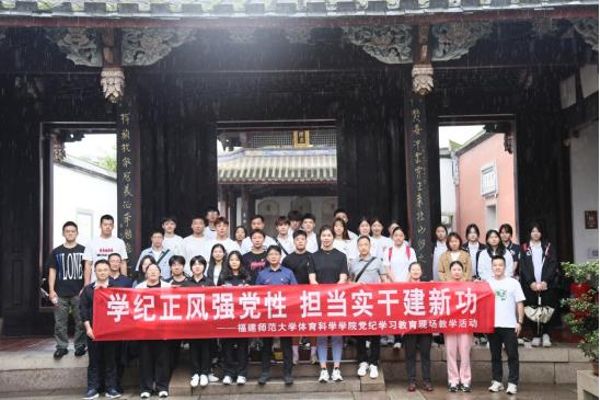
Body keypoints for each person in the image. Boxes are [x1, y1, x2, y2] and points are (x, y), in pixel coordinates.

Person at [309, 225, 348, 383]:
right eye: (323, 235)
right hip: (319, 300)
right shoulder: (313, 256)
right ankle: (324, 369)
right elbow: (312, 279)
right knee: (322, 335)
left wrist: (333, 293)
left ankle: (337, 368)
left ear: (333, 237)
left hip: (337, 300)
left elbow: (343, 278)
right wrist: (322, 293)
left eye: (328, 235)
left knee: (337, 334)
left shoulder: (341, 256)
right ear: (320, 238)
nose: (326, 238)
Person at [255, 245, 297, 386]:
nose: (273, 256)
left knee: (286, 345)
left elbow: (295, 293)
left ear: (280, 256)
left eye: (276, 254)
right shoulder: (262, 274)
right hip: (267, 314)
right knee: (266, 345)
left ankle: (287, 373)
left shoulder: (288, 273)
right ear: (267, 257)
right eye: (271, 254)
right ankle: (265, 373)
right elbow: (256, 295)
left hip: (285, 314)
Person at [349, 236, 390, 380]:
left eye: (366, 244)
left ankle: (374, 362)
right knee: (360, 332)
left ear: (370, 246)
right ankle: (362, 361)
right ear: (357, 247)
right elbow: (349, 281)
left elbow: (384, 280)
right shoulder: (353, 263)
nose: (363, 247)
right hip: (359, 302)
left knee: (375, 332)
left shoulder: (377, 261)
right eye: (361, 245)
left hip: (375, 301)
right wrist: (355, 285)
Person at [80, 259, 120, 400]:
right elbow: (83, 310)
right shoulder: (88, 290)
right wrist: (88, 329)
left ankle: (111, 388)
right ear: (95, 272)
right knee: (94, 360)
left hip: (111, 332)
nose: (102, 272)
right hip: (93, 330)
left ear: (109, 271)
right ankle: (92, 388)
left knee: (111, 360)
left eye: (105, 270)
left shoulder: (116, 288)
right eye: (99, 270)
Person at [46, 221, 86, 359]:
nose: (70, 233)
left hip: (78, 292)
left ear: (77, 233)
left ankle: (80, 346)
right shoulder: (56, 251)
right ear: (63, 233)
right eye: (67, 231)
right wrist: (51, 290)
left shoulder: (83, 250)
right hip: (60, 292)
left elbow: (87, 270)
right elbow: (52, 271)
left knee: (81, 321)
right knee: (60, 322)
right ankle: (62, 347)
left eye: (72, 231)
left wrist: (85, 287)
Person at [487, 255, 525, 395]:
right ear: (492, 267)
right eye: (495, 265)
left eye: (500, 265)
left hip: (509, 325)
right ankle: (497, 381)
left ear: (505, 267)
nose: (497, 267)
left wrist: (519, 321)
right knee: (495, 355)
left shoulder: (513, 283)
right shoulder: (487, 283)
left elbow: (519, 303)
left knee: (512, 355)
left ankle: (513, 382)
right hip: (493, 325)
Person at [519, 223, 560, 348]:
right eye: (533, 231)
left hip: (546, 285)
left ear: (541, 233)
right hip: (530, 285)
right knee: (532, 309)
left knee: (546, 308)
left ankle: (546, 334)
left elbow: (553, 264)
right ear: (529, 233)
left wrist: (545, 281)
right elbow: (523, 266)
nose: (535, 233)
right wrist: (531, 282)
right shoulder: (525, 247)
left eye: (538, 231)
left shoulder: (548, 247)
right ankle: (536, 334)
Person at [282, 230, 318, 365]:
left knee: (312, 325)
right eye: (298, 239)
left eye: (303, 239)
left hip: (311, 296)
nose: (300, 241)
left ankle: (313, 354)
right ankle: (295, 355)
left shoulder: (312, 257)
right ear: (294, 241)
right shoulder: (287, 259)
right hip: (293, 297)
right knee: (295, 325)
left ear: (306, 241)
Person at [136, 263, 172, 399]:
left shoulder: (167, 287)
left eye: (155, 270)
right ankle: (146, 388)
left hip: (162, 329)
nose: (152, 272)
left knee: (162, 359)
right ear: (146, 273)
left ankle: (162, 387)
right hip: (144, 330)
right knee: (145, 359)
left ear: (160, 273)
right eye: (150, 270)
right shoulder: (139, 288)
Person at [383, 226, 416, 349]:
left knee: (407, 311)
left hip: (407, 285)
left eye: (401, 235)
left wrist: (405, 282)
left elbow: (412, 267)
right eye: (396, 235)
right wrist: (395, 282)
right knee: (396, 312)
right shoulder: (388, 251)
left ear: (404, 237)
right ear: (392, 237)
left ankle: (407, 337)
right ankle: (397, 338)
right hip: (393, 285)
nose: (398, 238)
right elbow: (387, 268)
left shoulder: (410, 251)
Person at [105, 252, 133, 393]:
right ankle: (108, 384)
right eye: (113, 261)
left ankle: (117, 383)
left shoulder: (127, 281)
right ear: (108, 263)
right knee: (109, 356)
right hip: (108, 324)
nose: (115, 263)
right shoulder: (103, 280)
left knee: (121, 356)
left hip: (123, 323)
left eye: (118, 261)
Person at [183, 256, 213, 388]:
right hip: (192, 322)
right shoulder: (186, 283)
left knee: (206, 347)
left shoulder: (209, 282)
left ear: (204, 267)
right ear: (191, 267)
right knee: (193, 347)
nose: (197, 267)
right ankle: (195, 373)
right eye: (194, 264)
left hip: (206, 321)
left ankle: (205, 373)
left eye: (200, 264)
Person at [221, 251, 250, 385]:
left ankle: (242, 374)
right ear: (228, 262)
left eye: (237, 260)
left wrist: (248, 288)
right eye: (231, 260)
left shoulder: (247, 277)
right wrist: (221, 288)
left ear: (241, 262)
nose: (234, 262)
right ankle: (228, 373)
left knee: (243, 346)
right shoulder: (223, 276)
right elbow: (215, 295)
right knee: (227, 346)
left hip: (243, 316)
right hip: (227, 316)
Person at [403, 262, 433, 392]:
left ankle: (427, 381)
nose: (415, 272)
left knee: (425, 354)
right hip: (409, 327)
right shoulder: (403, 288)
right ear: (409, 272)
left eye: (418, 269)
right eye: (413, 269)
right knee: (410, 355)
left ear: (421, 272)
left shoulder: (428, 287)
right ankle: (411, 381)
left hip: (425, 326)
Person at [444, 261, 473, 392]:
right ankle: (453, 380)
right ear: (450, 272)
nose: (456, 272)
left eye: (459, 269)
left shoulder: (469, 287)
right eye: (454, 269)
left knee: (465, 352)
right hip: (450, 324)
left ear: (463, 272)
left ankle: (465, 380)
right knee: (450, 352)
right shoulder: (445, 287)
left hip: (465, 324)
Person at [83, 214, 128, 285]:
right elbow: (88, 265)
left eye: (110, 225)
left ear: (113, 226)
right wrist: (86, 284)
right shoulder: (91, 242)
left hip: (115, 283)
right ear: (100, 226)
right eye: (105, 224)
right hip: (96, 282)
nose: (108, 227)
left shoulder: (119, 242)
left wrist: (125, 282)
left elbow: (123, 263)